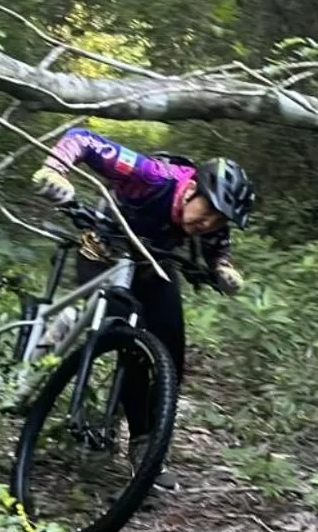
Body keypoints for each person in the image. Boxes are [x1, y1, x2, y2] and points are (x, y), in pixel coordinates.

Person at [31, 125, 255, 422]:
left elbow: (217, 247)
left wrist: (222, 267)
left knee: (170, 351)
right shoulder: (152, 175)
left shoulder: (213, 224)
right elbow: (82, 138)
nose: (208, 223)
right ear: (191, 189)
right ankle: (68, 326)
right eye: (208, 211)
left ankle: (145, 444)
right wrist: (55, 171)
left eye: (218, 220)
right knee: (124, 326)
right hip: (104, 250)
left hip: (153, 264)